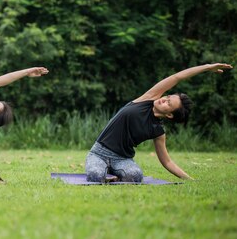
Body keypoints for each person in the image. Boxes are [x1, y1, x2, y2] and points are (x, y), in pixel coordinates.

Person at [85, 63, 233, 183]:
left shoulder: (158, 131)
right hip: (99, 152)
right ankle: (106, 171)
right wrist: (207, 67)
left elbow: (167, 162)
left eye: (168, 104)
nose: (164, 99)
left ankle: (113, 172)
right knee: (95, 176)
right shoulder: (148, 98)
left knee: (135, 176)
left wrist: (190, 180)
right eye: (168, 97)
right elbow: (177, 77)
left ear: (169, 114)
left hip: (122, 158)